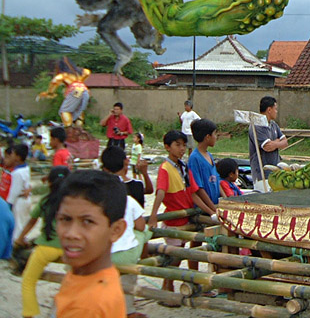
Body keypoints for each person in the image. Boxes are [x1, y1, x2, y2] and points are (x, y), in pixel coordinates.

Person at [148, 130, 216, 293]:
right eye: (177, 145)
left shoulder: (184, 167)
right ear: (167, 147)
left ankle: (172, 285)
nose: (181, 149)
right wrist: (153, 215)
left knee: (181, 253)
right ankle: (167, 285)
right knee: (175, 257)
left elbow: (193, 192)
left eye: (184, 145)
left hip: (186, 216)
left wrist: (211, 211)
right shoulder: (165, 168)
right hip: (174, 218)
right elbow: (161, 192)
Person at [53, 170, 127, 318]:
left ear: (116, 230)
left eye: (87, 221)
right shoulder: (85, 274)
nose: (71, 233)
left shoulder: (88, 307)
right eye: (65, 219)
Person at [102, 146, 152, 318]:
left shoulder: (97, 197)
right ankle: (128, 311)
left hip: (103, 252)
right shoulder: (130, 196)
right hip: (126, 253)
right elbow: (140, 225)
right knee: (143, 231)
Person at [16, 166, 70, 318]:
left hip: (46, 248)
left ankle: (29, 313)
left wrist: (20, 238)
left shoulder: (45, 201)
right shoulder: (74, 203)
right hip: (69, 248)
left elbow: (31, 222)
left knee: (28, 281)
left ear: (49, 183)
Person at [248, 96, 288, 193]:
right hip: (262, 174)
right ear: (269, 110)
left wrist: (276, 143)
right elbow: (267, 147)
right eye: (275, 109)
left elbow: (285, 142)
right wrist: (278, 141)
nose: (276, 111)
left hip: (275, 173)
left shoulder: (274, 125)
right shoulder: (257, 126)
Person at [188, 119, 220, 210]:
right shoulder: (195, 158)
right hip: (205, 208)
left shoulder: (209, 155)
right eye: (214, 134)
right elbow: (198, 188)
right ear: (207, 137)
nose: (216, 137)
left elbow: (216, 180)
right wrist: (212, 208)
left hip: (215, 205)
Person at [6, 143, 32, 240]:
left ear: (17, 157)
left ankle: (17, 243)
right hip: (26, 199)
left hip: (19, 200)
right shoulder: (26, 168)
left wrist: (9, 204)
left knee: (18, 225)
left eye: (12, 154)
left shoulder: (17, 173)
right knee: (23, 222)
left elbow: (14, 192)